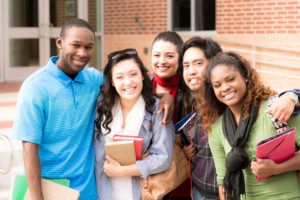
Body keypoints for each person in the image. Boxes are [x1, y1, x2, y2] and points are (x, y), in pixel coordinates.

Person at [12, 18, 173, 200]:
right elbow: (29, 149)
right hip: (50, 187)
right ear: (59, 42)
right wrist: (36, 196)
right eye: (75, 45)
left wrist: (164, 95)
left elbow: (129, 82)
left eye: (88, 47)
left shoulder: (93, 79)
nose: (82, 53)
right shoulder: (35, 88)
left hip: (89, 189)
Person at [199, 52, 300, 200]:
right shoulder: (216, 129)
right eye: (217, 85)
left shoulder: (276, 110)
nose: (225, 88)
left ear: (245, 76)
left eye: (231, 79)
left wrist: (276, 168)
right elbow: (223, 182)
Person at [94, 48, 174, 200]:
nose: (128, 82)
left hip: (141, 192)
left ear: (143, 76)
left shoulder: (157, 109)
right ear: (111, 81)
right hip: (104, 191)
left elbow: (163, 157)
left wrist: (121, 171)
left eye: (133, 74)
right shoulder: (101, 106)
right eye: (119, 77)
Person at [151, 31, 192, 199]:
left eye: (169, 56)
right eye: (157, 55)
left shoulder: (190, 92)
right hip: (147, 177)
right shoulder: (140, 87)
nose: (162, 61)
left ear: (180, 59)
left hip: (180, 174)